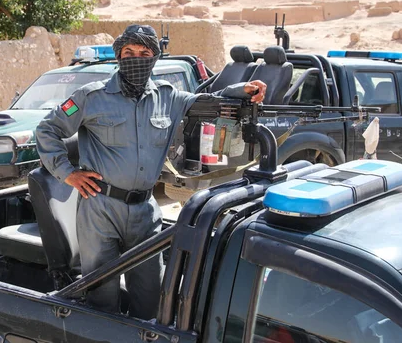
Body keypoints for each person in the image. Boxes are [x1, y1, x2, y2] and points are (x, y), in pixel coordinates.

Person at [36, 24, 266, 319]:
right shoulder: (90, 97)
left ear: (154, 58)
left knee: (150, 298)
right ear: (119, 55)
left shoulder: (168, 97)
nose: (136, 58)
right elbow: (47, 130)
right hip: (99, 209)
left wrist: (243, 91)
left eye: (144, 52)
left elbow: (210, 102)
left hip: (145, 211)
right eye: (129, 52)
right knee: (101, 298)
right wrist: (67, 173)